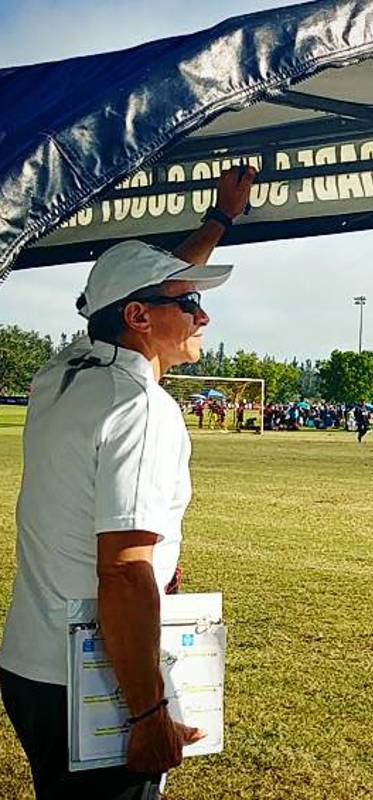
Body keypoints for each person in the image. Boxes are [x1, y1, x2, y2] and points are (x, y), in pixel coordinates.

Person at [0, 166, 256, 800]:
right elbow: (124, 569)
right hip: (93, 678)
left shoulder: (60, 374)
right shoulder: (139, 406)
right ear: (140, 317)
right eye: (189, 302)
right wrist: (147, 712)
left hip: (31, 667)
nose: (203, 315)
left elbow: (129, 292)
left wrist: (217, 223)